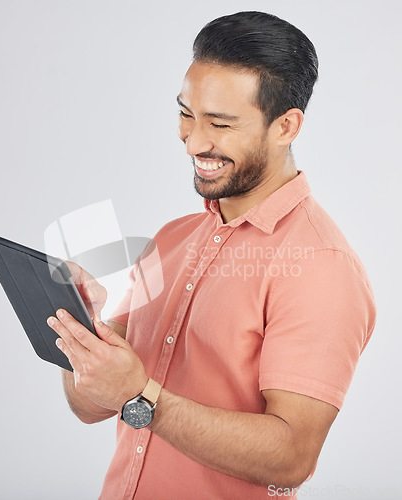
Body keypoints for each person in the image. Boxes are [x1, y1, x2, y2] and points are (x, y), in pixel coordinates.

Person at [47, 11, 376, 499]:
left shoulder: (320, 264)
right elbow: (90, 406)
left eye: (220, 123)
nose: (194, 142)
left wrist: (140, 396)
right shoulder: (172, 238)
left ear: (286, 126)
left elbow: (291, 459)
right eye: (186, 113)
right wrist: (83, 332)